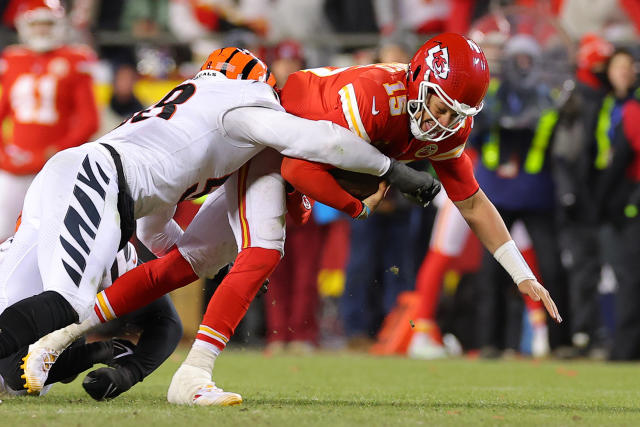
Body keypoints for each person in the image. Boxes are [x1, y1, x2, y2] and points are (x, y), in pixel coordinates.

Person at [26, 34, 562, 408]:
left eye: (455, 115)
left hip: (291, 152)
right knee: (264, 249)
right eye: (439, 107)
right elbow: (299, 164)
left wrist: (521, 274)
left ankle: (56, 337)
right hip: (278, 141)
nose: (441, 122)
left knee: (185, 262)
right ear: (419, 78)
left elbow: (472, 202)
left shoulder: (443, 128)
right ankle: (192, 375)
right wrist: (362, 202)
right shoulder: (374, 97)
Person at [2, 45, 436, 397]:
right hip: (99, 181)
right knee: (70, 302)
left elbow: (158, 233)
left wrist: (222, 266)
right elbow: (319, 139)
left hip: (84, 179)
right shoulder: (245, 105)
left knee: (15, 345)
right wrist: (393, 171)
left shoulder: (190, 108)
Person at [0, 238, 182, 401]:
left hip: (52, 301)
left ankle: (74, 350)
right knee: (18, 385)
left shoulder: (123, 261)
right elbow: (15, 372)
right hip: (17, 304)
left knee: (41, 373)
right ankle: (95, 349)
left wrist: (129, 374)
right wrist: (99, 352)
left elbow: (167, 320)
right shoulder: (28, 275)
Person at [0, 0, 99, 241]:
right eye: (35, 23)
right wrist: (4, 153)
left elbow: (90, 121)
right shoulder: (12, 59)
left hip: (54, 165)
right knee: (3, 233)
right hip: (15, 166)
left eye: (47, 23)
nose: (41, 30)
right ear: (24, 25)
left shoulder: (76, 58)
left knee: (53, 238)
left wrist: (58, 151)